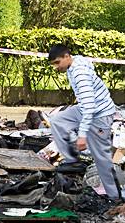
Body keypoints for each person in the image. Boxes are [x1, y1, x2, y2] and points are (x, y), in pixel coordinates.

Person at [48, 45, 120, 199]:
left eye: (57, 62)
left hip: (100, 114)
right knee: (57, 120)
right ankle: (73, 160)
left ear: (67, 57)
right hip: (85, 109)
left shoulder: (80, 73)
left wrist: (82, 135)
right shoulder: (75, 63)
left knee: (101, 156)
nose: (56, 67)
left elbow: (90, 106)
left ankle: (114, 197)